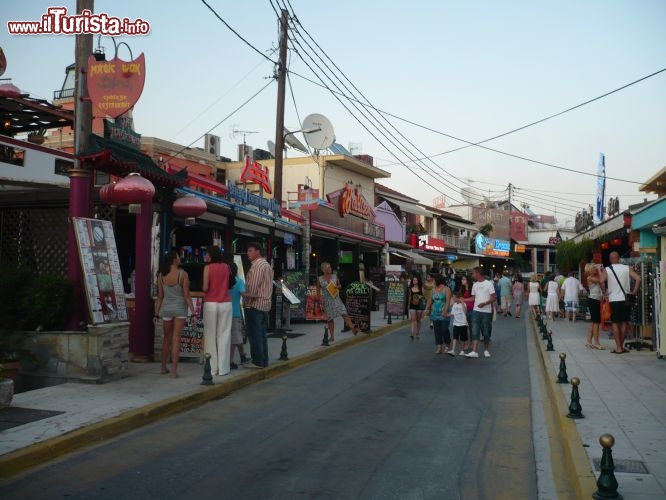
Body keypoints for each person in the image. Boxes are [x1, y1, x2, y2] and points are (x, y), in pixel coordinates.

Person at [154, 251, 196, 378]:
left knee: (166, 338)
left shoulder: (161, 275)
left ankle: (162, 368)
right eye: (178, 256)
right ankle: (173, 371)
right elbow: (187, 295)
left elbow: (160, 297)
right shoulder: (183, 274)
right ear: (174, 259)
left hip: (166, 309)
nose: (180, 258)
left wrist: (156, 314)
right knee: (176, 339)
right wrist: (193, 313)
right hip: (180, 309)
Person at [202, 245, 233, 376]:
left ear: (211, 255)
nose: (205, 256)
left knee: (210, 335)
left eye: (207, 254)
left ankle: (212, 368)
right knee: (224, 334)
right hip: (226, 303)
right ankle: (223, 368)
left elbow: (205, 287)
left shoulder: (207, 268)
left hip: (210, 303)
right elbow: (230, 284)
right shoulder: (227, 267)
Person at [603, 251, 641, 354]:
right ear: (619, 259)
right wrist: (634, 292)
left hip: (614, 300)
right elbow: (638, 278)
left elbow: (601, 280)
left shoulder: (607, 269)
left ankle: (618, 347)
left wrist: (604, 292)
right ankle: (621, 346)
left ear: (611, 259)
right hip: (625, 299)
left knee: (615, 323)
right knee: (624, 322)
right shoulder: (625, 268)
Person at [243, 242, 274, 368]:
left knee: (255, 334)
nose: (248, 253)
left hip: (255, 304)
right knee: (261, 334)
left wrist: (246, 299)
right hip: (264, 304)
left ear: (258, 252)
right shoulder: (266, 265)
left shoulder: (257, 266)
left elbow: (252, 288)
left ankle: (257, 361)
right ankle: (263, 360)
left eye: (250, 250)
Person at [317, 262, 358, 341]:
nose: (330, 269)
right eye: (328, 267)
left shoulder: (334, 276)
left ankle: (353, 329)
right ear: (323, 270)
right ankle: (332, 336)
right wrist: (320, 301)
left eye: (330, 267)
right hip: (327, 301)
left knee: (344, 313)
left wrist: (336, 286)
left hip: (336, 298)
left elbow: (340, 285)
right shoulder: (319, 279)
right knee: (330, 319)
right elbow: (318, 291)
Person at [466, 267, 496, 358]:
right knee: (475, 331)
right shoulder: (475, 285)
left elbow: (494, 297)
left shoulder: (489, 284)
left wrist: (485, 303)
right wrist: (463, 300)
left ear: (478, 273)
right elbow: (473, 298)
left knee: (486, 332)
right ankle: (474, 351)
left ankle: (486, 349)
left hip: (486, 312)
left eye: (473, 273)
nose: (472, 275)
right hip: (476, 311)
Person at [229, 261, 250, 369]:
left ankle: (242, 356)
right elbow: (243, 294)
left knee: (236, 337)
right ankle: (230, 361)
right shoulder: (239, 281)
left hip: (224, 312)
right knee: (235, 337)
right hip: (236, 313)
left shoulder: (223, 281)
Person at [425, 274, 451, 354]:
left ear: (438, 280)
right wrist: (427, 308)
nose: (433, 282)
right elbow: (430, 300)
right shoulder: (433, 290)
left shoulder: (446, 289)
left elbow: (448, 301)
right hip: (435, 313)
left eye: (434, 280)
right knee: (437, 330)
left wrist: (445, 311)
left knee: (444, 329)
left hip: (444, 312)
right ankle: (439, 346)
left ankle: (447, 345)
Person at [584, 263, 605, 349]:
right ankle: (596, 342)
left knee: (594, 322)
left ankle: (589, 341)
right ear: (590, 270)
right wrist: (600, 270)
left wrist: (601, 270)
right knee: (596, 322)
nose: (595, 269)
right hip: (593, 300)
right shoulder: (590, 278)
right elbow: (601, 281)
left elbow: (602, 283)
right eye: (594, 268)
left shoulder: (596, 277)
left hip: (596, 300)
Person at [407, 274, 426, 340]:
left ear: (418, 281)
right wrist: (408, 305)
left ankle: (417, 333)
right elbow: (409, 297)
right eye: (414, 280)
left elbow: (424, 296)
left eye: (416, 280)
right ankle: (412, 333)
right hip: (412, 305)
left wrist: (420, 297)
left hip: (419, 305)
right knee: (413, 319)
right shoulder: (410, 288)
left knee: (418, 320)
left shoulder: (421, 288)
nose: (415, 281)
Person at [449, 291, 468, 356]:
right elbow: (452, 313)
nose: (453, 298)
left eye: (454, 297)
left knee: (463, 338)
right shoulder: (454, 305)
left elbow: (465, 311)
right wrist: (446, 314)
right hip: (456, 324)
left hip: (463, 324)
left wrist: (462, 302)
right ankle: (453, 350)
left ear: (458, 298)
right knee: (455, 337)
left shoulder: (464, 304)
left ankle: (462, 350)